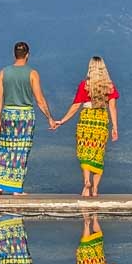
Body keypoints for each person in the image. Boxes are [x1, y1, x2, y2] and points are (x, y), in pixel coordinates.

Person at [0, 41, 55, 195]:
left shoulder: (3, 72)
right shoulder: (32, 73)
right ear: (27, 55)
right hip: (25, 116)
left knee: (6, 149)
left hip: (8, 113)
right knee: (21, 151)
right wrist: (49, 118)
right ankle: (16, 188)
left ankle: (1, 185)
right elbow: (39, 99)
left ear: (14, 54)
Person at [53, 55, 119, 197]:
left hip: (86, 119)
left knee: (85, 152)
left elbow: (76, 105)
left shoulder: (85, 85)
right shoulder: (109, 86)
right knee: (98, 154)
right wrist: (115, 127)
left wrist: (62, 120)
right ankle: (95, 189)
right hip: (101, 120)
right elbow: (112, 107)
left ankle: (86, 182)